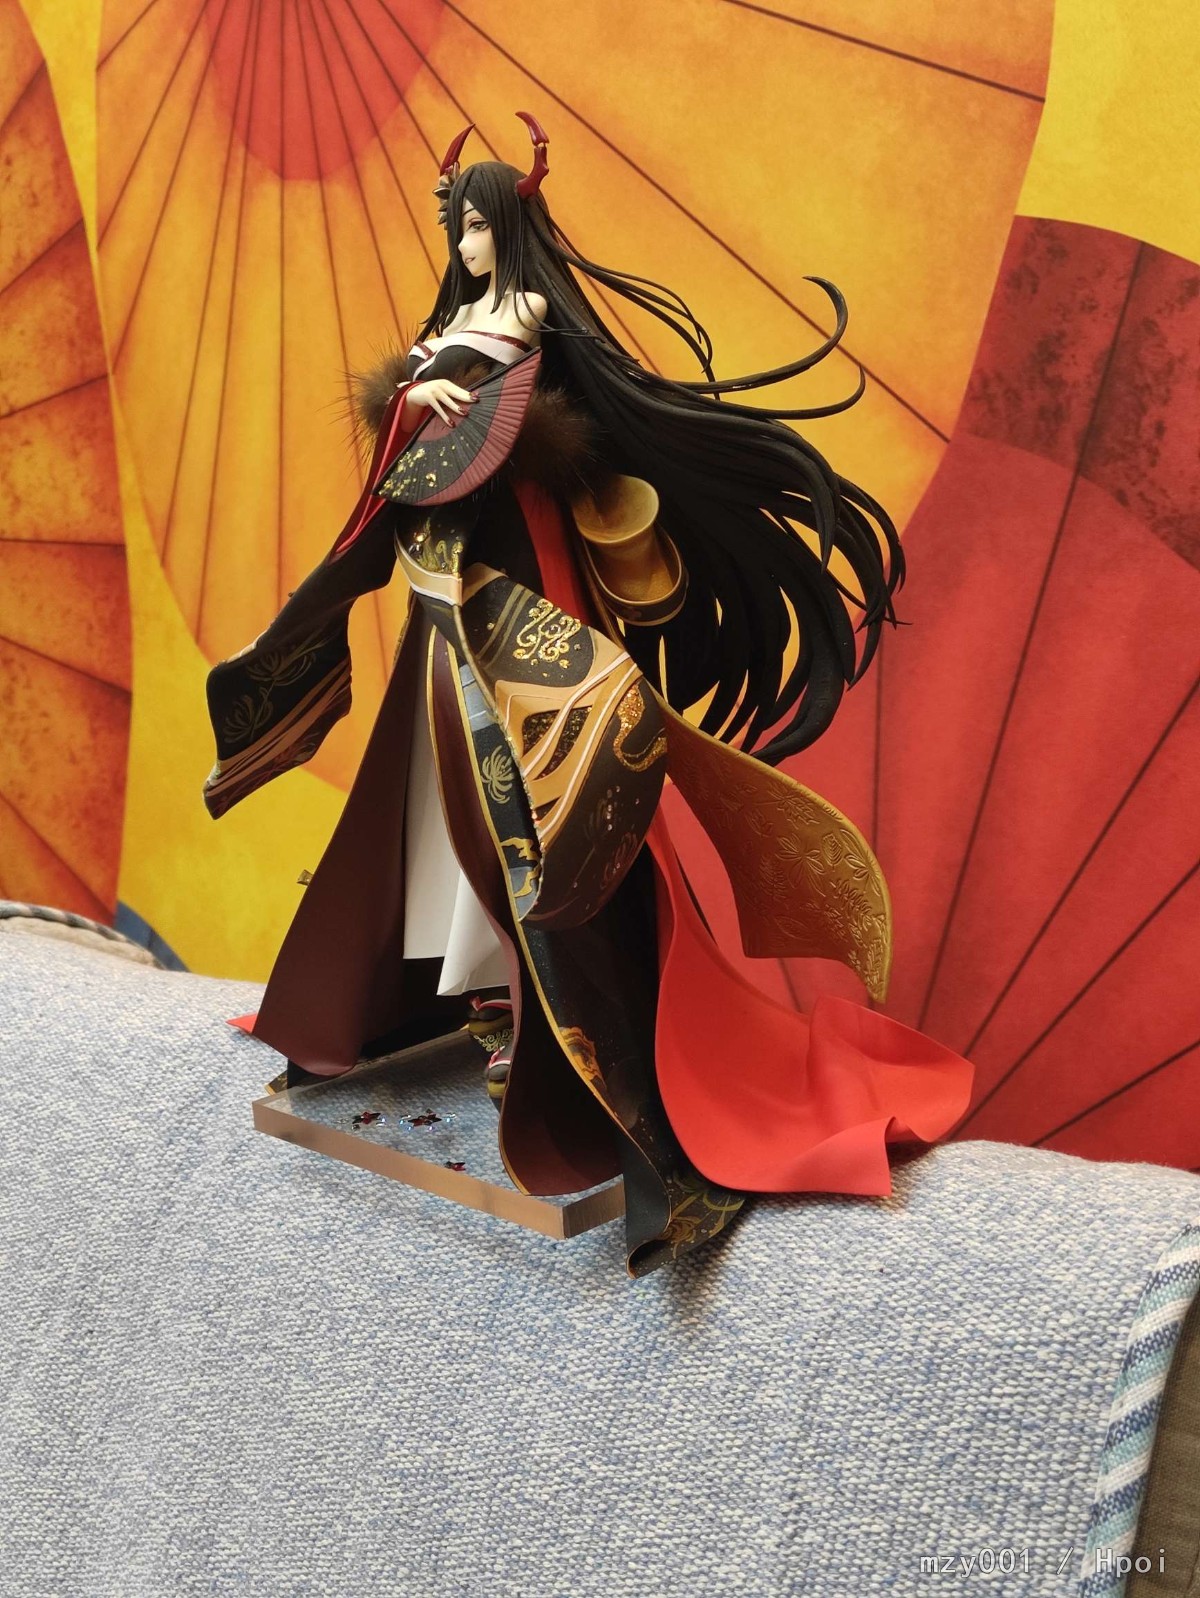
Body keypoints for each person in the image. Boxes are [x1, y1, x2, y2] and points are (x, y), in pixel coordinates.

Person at [203, 113, 974, 1276]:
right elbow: (409, 462)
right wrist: (412, 413)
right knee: (430, 824)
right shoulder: (455, 326)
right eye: (456, 226)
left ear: (509, 228)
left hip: (505, 610)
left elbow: (469, 440)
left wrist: (430, 404)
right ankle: (474, 1002)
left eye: (477, 224)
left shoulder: (517, 319)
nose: (465, 244)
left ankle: (541, 1033)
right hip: (436, 617)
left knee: (520, 820)